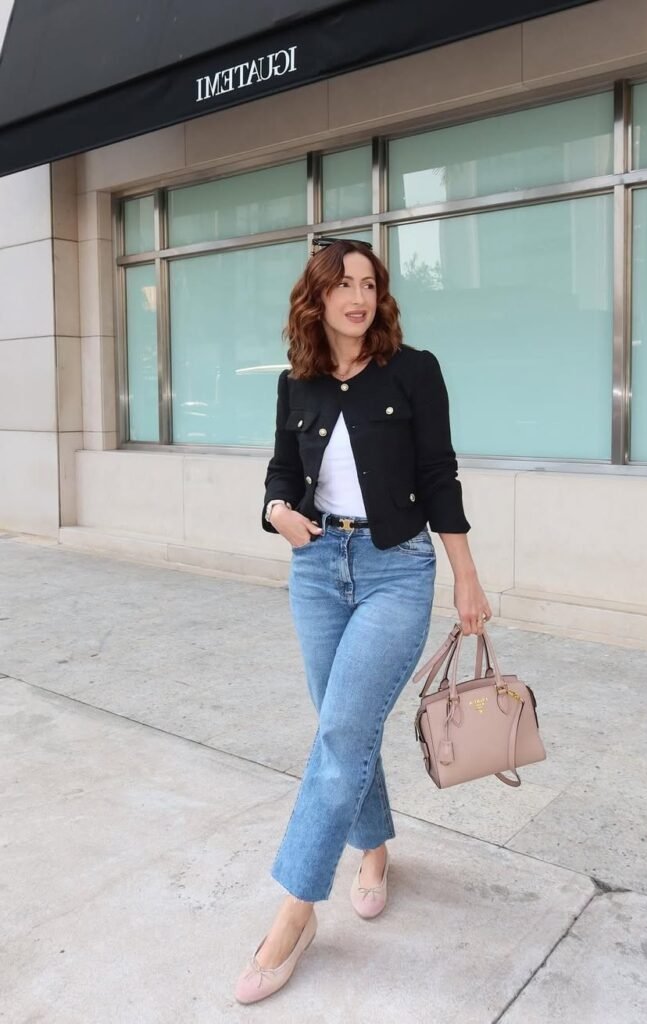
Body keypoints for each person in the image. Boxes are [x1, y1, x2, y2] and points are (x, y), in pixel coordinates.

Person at [234, 237, 491, 1005]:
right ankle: (372, 849)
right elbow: (283, 472)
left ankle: (294, 911)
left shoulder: (414, 371)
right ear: (314, 298)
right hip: (316, 570)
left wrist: (466, 580)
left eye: (369, 284)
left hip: (394, 570)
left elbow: (438, 475)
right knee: (341, 728)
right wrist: (275, 511)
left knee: (342, 732)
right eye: (342, 284)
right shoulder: (298, 383)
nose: (358, 296)